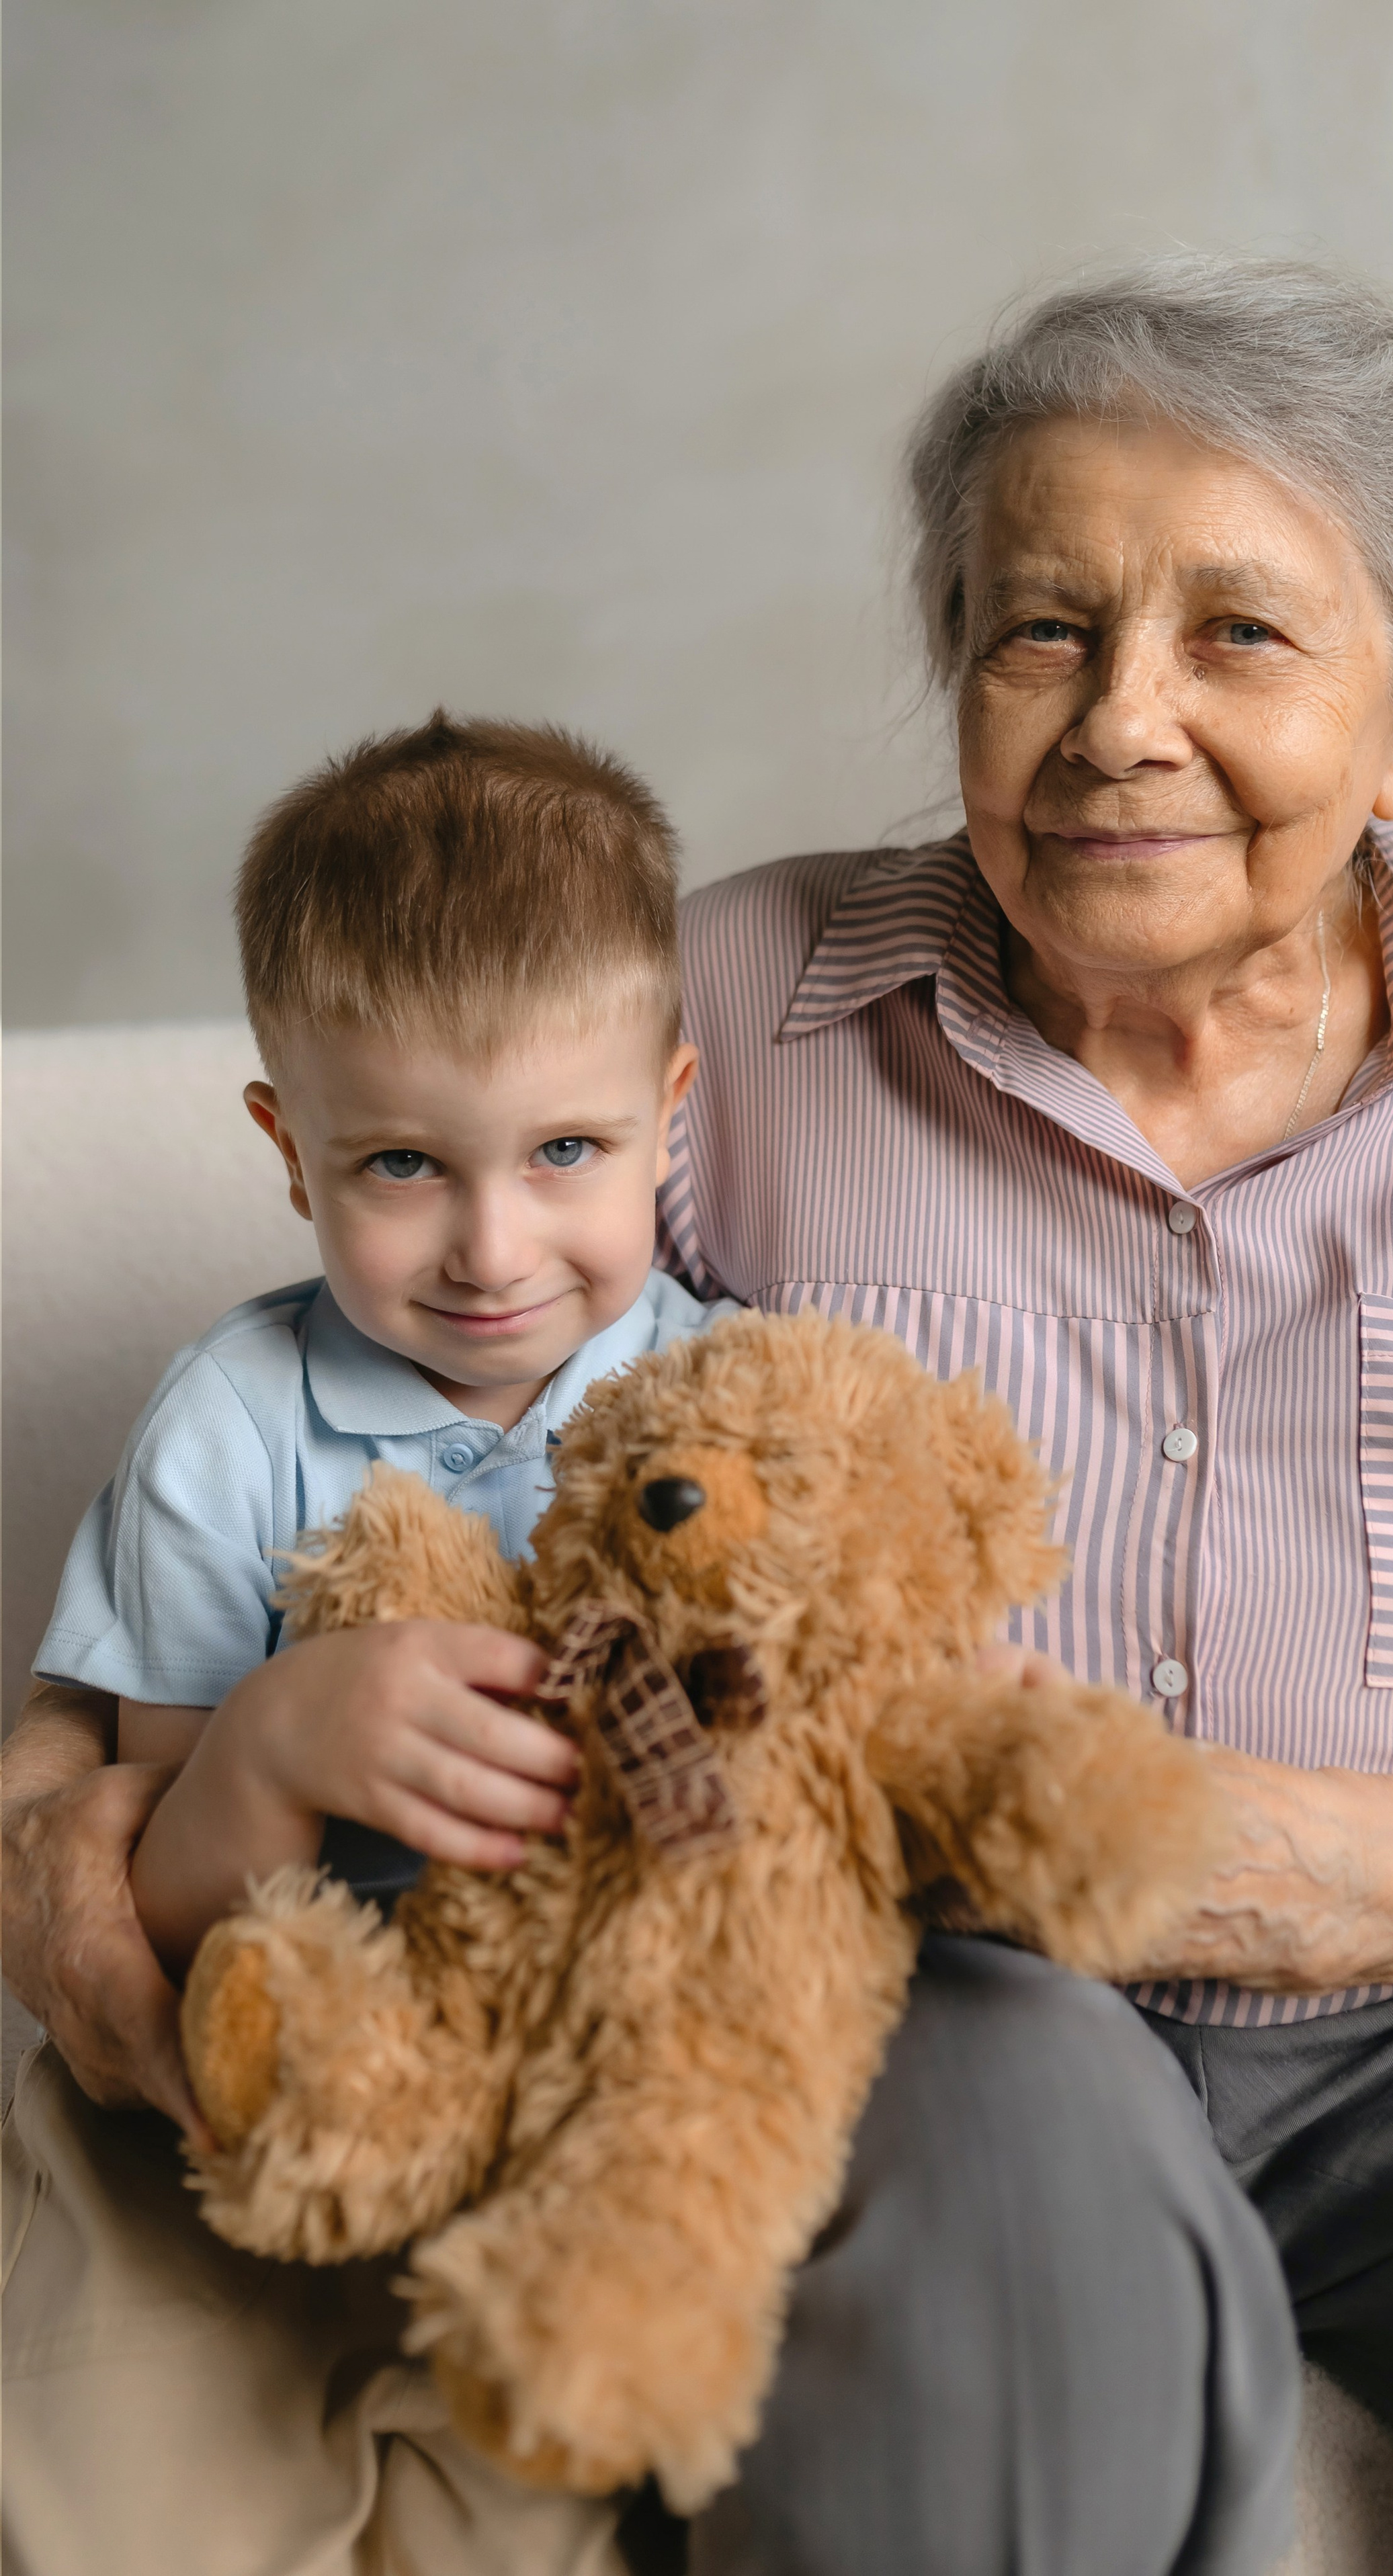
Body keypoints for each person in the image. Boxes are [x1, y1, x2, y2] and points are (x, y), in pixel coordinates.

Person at [6, 257, 1393, 2576]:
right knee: (989, 2176)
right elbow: (424, 1369)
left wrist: (1306, 1872)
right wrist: (108, 1854)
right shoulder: (738, 1000)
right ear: (953, 677)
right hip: (942, 1976)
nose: (1123, 719)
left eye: (1238, 634)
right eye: (1041, 631)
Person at [3, 712, 736, 2573]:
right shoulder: (232, 1425)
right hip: (206, 2110)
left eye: (568, 1149)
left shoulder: (723, 1404)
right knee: (123, 2507)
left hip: (551, 2097)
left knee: (534, 2501)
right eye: (403, 1163)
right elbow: (143, 1908)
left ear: (675, 1107)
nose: (493, 1246)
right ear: (286, 1142)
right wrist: (266, 1747)